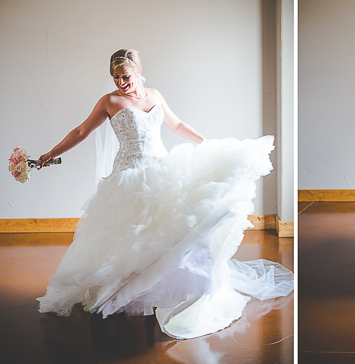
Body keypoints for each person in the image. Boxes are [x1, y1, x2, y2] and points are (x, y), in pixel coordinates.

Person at [36, 49, 293, 339]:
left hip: (162, 171)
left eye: (126, 76)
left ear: (138, 72)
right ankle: (120, 294)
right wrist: (50, 154)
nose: (122, 82)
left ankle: (159, 292)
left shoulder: (155, 95)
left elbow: (177, 124)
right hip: (129, 177)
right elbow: (82, 131)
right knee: (129, 237)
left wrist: (207, 144)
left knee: (165, 234)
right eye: (116, 77)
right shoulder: (110, 101)